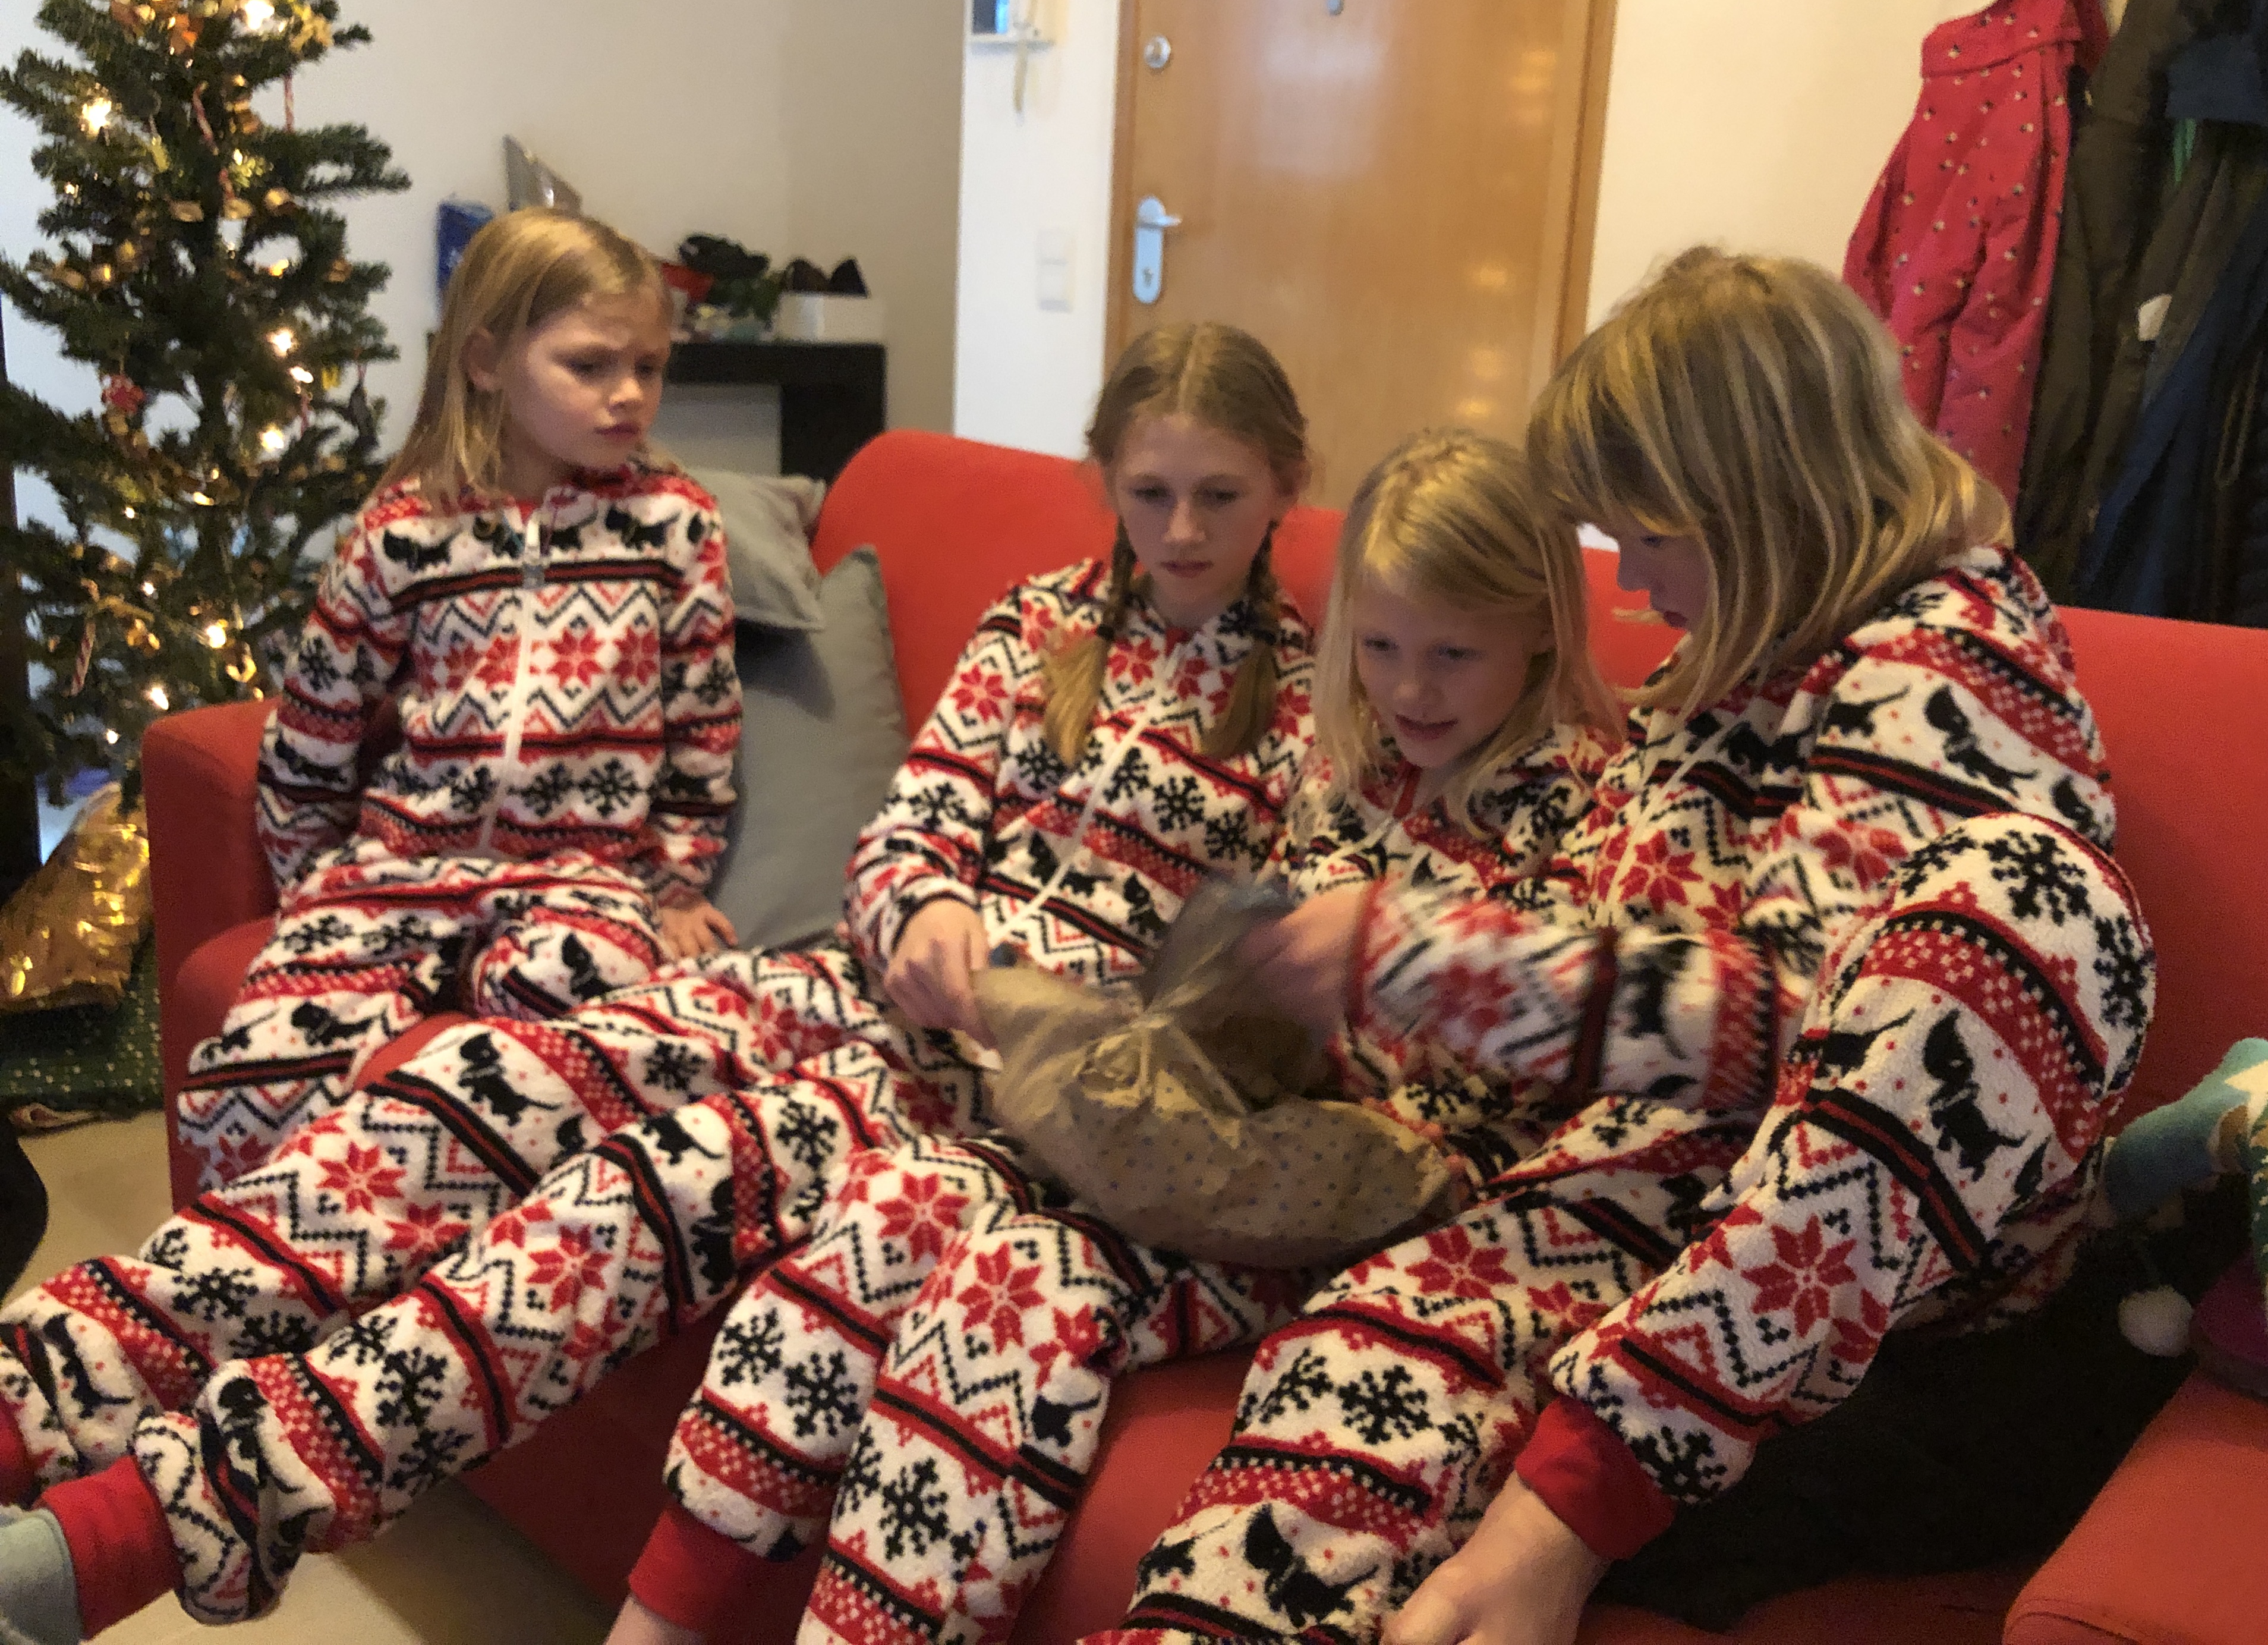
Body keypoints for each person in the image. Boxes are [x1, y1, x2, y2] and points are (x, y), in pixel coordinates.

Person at [0, 323, 1316, 1640]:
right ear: (1105, 476)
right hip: (848, 986)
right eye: (1151, 491)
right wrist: (919, 902)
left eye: (1221, 495)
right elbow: (913, 824)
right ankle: (33, 1400)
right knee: (484, 1083)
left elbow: (1260, 1005)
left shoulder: (1317, 709)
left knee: (620, 1210)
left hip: (1011, 1101)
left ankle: (136, 1535)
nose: (1182, 530)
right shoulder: (1034, 624)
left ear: (1284, 489)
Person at [1097, 246, 2156, 1645]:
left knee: (1376, 1373)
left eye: (1651, 540)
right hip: (1631, 1186)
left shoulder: (1947, 676)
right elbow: (1622, 954)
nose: (1638, 586)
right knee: (1340, 1382)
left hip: (1843, 1261)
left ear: (1760, 504)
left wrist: (1417, 958)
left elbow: (1807, 1036)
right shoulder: (1747, 660)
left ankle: (1555, 1512)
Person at [611, 424, 1618, 1645]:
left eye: (1454, 655)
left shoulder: (1592, 813)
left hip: (1373, 1200)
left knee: (1020, 1292)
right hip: (1223, 1133)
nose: (1411, 691)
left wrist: (1389, 981)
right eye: (1381, 648)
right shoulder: (1345, 760)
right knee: (891, 1211)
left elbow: (1557, 1066)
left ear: (1542, 630)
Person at [179, 207, 741, 1189]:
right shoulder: (406, 529)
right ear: (486, 362)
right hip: (401, 867)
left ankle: (468, 1206)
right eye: (590, 365)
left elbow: (704, 717)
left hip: (582, 875)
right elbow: (317, 719)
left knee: (592, 1034)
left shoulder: (675, 524)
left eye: (648, 367)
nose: (629, 394)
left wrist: (678, 878)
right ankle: (268, 1255)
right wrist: (310, 874)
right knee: (254, 1081)